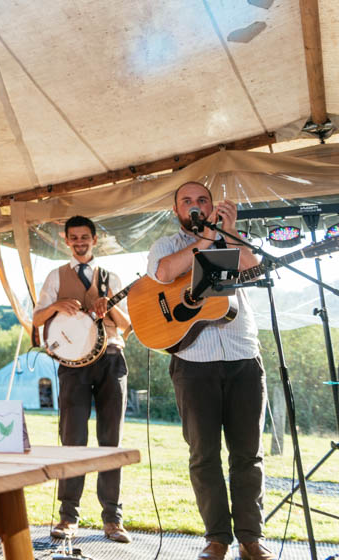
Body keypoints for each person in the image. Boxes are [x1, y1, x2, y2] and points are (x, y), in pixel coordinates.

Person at [147, 181, 270, 560]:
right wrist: (204, 240)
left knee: (248, 455)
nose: (195, 205)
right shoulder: (166, 246)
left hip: (243, 356)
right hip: (192, 360)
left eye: (203, 200)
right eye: (188, 201)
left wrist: (229, 236)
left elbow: (256, 270)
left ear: (214, 205)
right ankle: (217, 538)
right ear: (177, 211)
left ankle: (251, 539)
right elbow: (165, 273)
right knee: (204, 455)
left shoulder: (232, 238)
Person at [33, 215, 131, 544]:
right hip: (72, 366)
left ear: (94, 238)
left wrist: (109, 310)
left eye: (84, 237)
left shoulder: (110, 276)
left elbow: (127, 325)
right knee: (72, 437)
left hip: (111, 359)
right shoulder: (55, 276)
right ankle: (68, 516)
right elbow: (37, 317)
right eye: (73, 237)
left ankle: (112, 519)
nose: (79, 242)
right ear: (66, 240)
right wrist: (57, 306)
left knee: (110, 438)